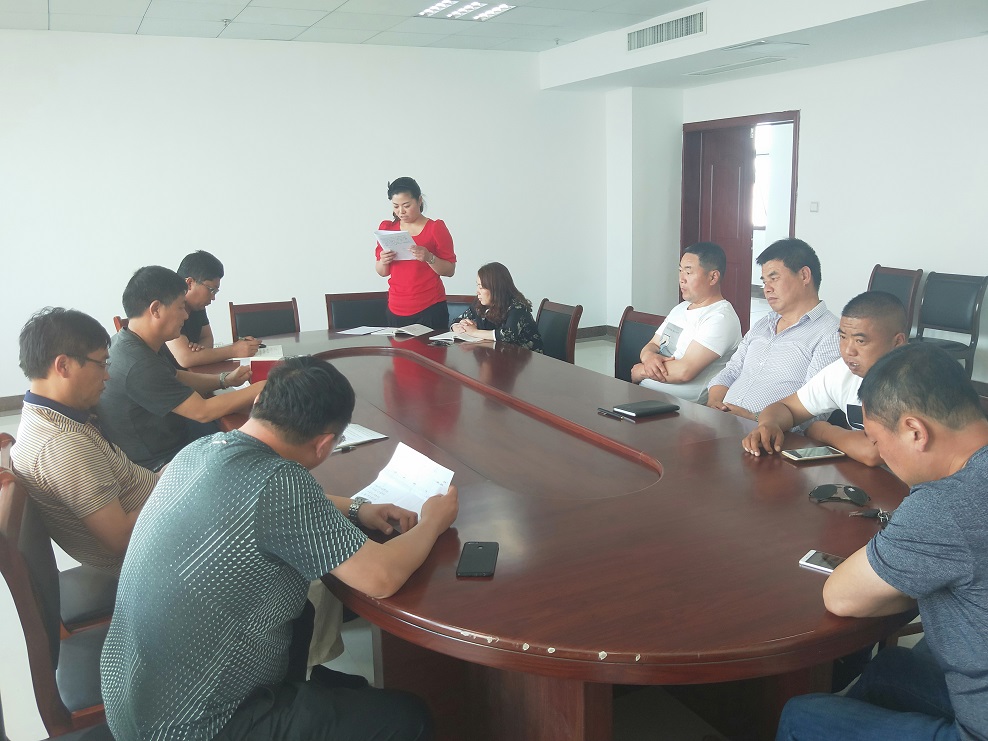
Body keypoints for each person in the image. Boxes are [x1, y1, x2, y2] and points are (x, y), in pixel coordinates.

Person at [101, 356, 458, 741]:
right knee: (408, 717)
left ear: (259, 403)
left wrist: (359, 508)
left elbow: (267, 500)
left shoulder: (201, 449)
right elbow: (381, 577)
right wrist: (433, 521)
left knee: (301, 615)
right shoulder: (279, 482)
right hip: (194, 728)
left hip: (132, 700)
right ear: (324, 445)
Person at [775, 343, 988, 741]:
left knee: (803, 715)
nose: (879, 454)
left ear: (914, 431)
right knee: (890, 669)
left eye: (876, 439)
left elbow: (842, 597)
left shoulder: (947, 504)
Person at [10, 308, 158, 575]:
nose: (107, 375)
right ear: (63, 366)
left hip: (157, 522)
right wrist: (177, 487)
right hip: (153, 558)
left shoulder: (47, 417)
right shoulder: (62, 445)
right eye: (101, 363)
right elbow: (120, 539)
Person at [97, 266, 263, 470]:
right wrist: (263, 386)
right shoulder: (139, 364)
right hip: (161, 462)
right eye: (180, 307)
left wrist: (225, 380)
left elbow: (175, 376)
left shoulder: (130, 340)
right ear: (156, 309)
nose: (185, 316)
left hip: (175, 432)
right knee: (254, 444)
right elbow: (203, 411)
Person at [742, 291, 907, 466]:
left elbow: (875, 452)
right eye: (843, 337)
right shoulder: (843, 371)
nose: (848, 351)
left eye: (860, 341)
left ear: (897, 342)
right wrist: (769, 424)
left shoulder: (910, 380)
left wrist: (822, 431)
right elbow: (786, 407)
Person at [706, 238, 840, 420]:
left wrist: (755, 418)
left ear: (804, 275)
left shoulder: (831, 334)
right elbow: (732, 370)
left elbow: (816, 405)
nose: (766, 289)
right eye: (764, 282)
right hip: (721, 421)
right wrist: (714, 403)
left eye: (774, 279)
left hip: (769, 432)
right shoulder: (764, 323)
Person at [629, 242, 742, 403]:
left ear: (713, 277)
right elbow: (652, 345)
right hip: (647, 393)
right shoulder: (681, 308)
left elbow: (685, 371)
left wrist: (641, 371)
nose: (681, 279)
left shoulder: (720, 318)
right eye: (680, 271)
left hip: (679, 406)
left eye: (688, 272)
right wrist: (649, 358)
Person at [375, 177, 456, 331]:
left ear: (419, 200)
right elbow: (382, 272)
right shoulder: (387, 228)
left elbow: (450, 270)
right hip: (395, 307)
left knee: (430, 348)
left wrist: (429, 258)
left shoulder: (435, 228)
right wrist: (383, 261)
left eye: (407, 205)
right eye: (396, 206)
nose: (401, 212)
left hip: (430, 307)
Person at [165, 250, 262, 367]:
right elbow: (186, 358)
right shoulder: (168, 307)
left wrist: (199, 352)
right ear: (189, 283)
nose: (213, 297)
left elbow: (207, 338)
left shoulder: (197, 307)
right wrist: (234, 350)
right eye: (211, 290)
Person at [450, 262, 543, 352]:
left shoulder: (517, 306)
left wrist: (473, 332)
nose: (477, 291)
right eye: (477, 285)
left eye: (481, 287)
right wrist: (459, 326)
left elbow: (507, 335)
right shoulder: (480, 303)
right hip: (496, 354)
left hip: (525, 358)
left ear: (495, 288)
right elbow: (457, 320)